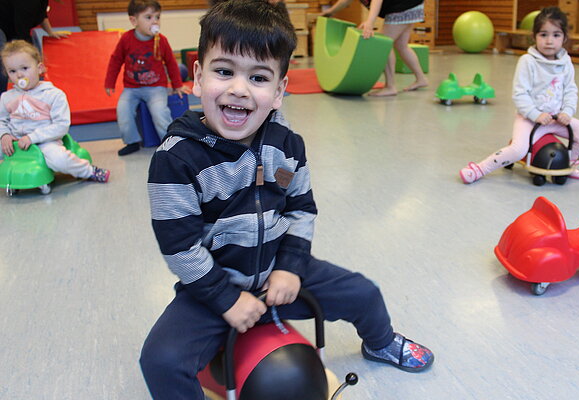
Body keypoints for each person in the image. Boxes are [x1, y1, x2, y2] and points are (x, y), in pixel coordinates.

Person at [139, 0, 434, 397]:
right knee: (160, 361)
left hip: (280, 271)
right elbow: (179, 246)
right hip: (215, 286)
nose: (238, 89)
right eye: (223, 71)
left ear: (279, 91)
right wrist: (225, 298)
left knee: (365, 292)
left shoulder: (287, 145)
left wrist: (291, 267)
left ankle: (380, 343)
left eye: (258, 78)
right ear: (197, 76)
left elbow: (300, 208)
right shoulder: (175, 159)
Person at [459, 7, 579, 184]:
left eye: (556, 35)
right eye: (543, 34)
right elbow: (519, 94)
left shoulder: (566, 62)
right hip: (529, 119)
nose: (549, 41)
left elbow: (570, 89)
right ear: (534, 36)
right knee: (518, 150)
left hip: (556, 119)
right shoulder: (527, 61)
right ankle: (479, 168)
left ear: (564, 38)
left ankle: (567, 164)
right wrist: (535, 115)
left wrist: (567, 112)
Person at [0, 40, 110, 182]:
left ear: (39, 68)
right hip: (15, 141)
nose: (19, 75)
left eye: (25, 68)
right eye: (12, 71)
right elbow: (2, 120)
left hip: (44, 141)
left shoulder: (53, 95)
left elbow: (61, 126)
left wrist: (32, 137)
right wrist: (4, 135)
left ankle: (89, 171)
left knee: (59, 159)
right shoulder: (6, 97)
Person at [104, 0, 191, 157]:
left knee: (160, 112)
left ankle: (168, 142)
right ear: (134, 20)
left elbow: (171, 63)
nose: (155, 21)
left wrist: (177, 85)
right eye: (149, 17)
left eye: (157, 17)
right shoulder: (126, 39)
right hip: (132, 88)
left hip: (156, 87)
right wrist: (109, 82)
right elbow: (115, 60)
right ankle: (132, 142)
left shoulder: (161, 40)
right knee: (123, 110)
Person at [322, 0, 428, 96]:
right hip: (412, 5)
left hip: (402, 7)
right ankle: (421, 79)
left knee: (384, 45)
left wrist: (370, 22)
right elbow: (345, 1)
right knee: (401, 46)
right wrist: (330, 12)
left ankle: (390, 87)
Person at [0, 0, 70, 95]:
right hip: (7, 28)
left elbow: (42, 14)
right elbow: (21, 31)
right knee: (5, 65)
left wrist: (50, 32)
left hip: (12, 27)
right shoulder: (29, 3)